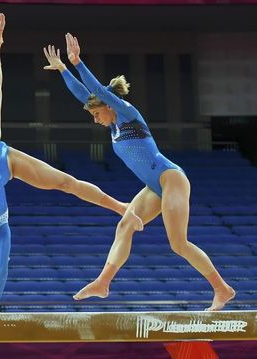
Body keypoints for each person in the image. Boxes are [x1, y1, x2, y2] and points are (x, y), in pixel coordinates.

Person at [0, 14, 129, 314]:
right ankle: (121, 207)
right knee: (66, 183)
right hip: (8, 163)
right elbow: (2, 273)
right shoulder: (2, 234)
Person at [41, 33, 235, 311]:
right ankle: (103, 282)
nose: (95, 120)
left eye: (97, 115)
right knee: (126, 223)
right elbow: (86, 96)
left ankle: (222, 288)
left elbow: (98, 92)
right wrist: (62, 69)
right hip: (154, 187)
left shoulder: (128, 114)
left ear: (109, 106)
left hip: (171, 179)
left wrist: (77, 63)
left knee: (178, 243)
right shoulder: (113, 126)